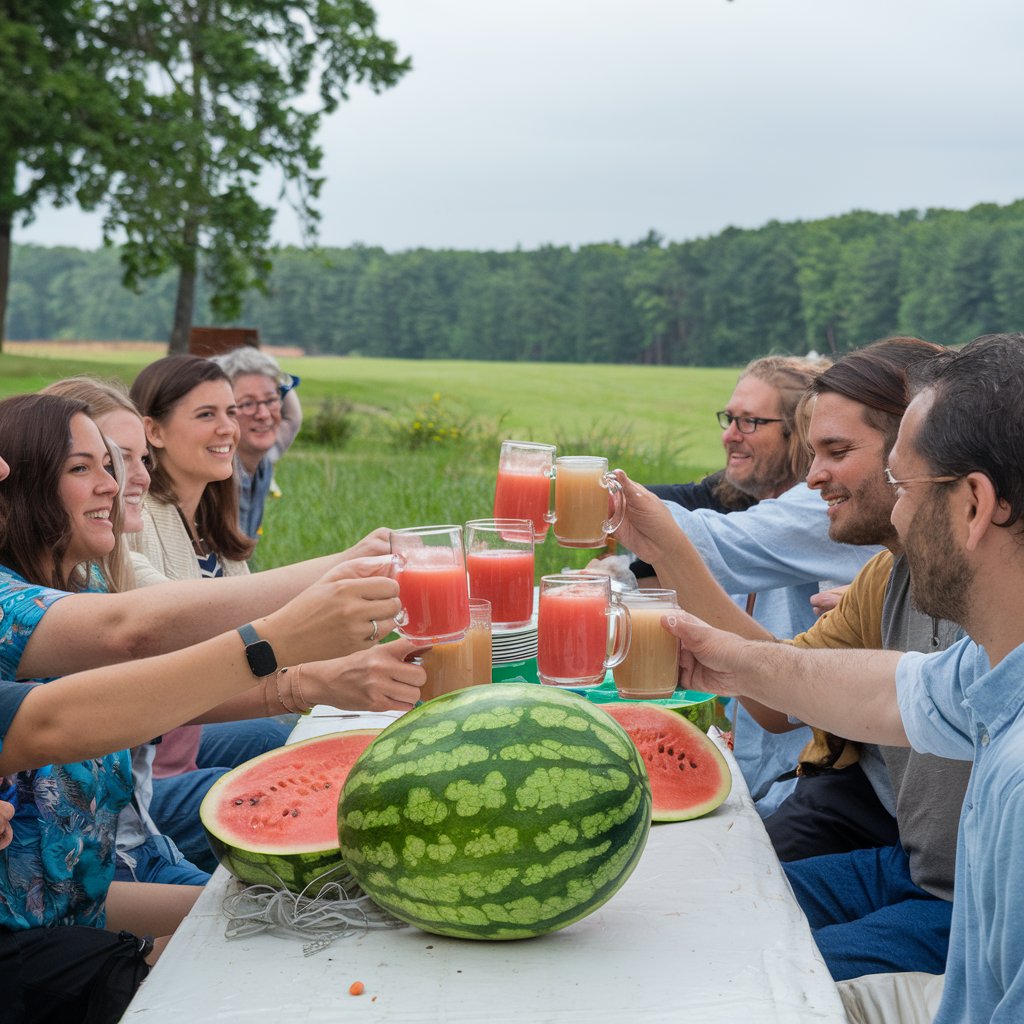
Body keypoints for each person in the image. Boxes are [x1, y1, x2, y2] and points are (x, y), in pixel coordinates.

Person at [661, 332, 1024, 1024]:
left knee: (745, 982)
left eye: (907, 484)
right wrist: (726, 658)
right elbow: (885, 690)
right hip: (919, 873)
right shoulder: (987, 668)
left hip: (943, 903)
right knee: (709, 921)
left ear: (976, 504)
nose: (899, 511)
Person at [0, 417, 404, 1023]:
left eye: (110, 464)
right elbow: (131, 639)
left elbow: (153, 702)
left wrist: (312, 682)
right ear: (17, 497)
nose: (113, 484)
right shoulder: (14, 604)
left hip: (86, 911)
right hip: (31, 950)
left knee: (312, 926)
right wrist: (326, 587)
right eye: (83, 467)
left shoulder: (79, 588)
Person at [624, 354, 882, 815]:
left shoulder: (816, 513)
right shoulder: (768, 509)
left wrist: (592, 494)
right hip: (769, 770)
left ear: (795, 435)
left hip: (805, 778)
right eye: (729, 419)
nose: (730, 434)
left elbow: (716, 545)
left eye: (750, 422)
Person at [211, 346, 302, 540]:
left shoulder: (264, 458)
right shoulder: (213, 474)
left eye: (270, 401)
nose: (263, 414)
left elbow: (293, 418)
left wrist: (276, 375)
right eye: (247, 404)